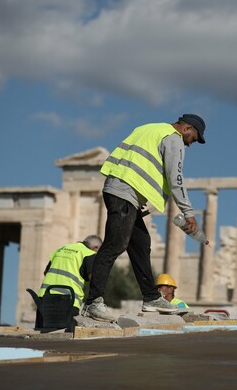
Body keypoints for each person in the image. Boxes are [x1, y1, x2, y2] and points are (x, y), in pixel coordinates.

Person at [82, 114, 206, 322]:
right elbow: (176, 179)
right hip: (124, 192)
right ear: (186, 129)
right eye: (194, 138)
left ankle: (151, 298)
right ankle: (93, 302)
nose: (192, 144)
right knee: (114, 245)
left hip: (123, 190)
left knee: (141, 244)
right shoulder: (174, 139)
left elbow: (137, 164)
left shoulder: (150, 128)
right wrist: (188, 214)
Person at [38, 235, 102, 316]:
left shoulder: (61, 249)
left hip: (44, 298)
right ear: (95, 247)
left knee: (41, 328)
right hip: (68, 301)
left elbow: (46, 272)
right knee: (64, 328)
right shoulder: (89, 253)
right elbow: (93, 280)